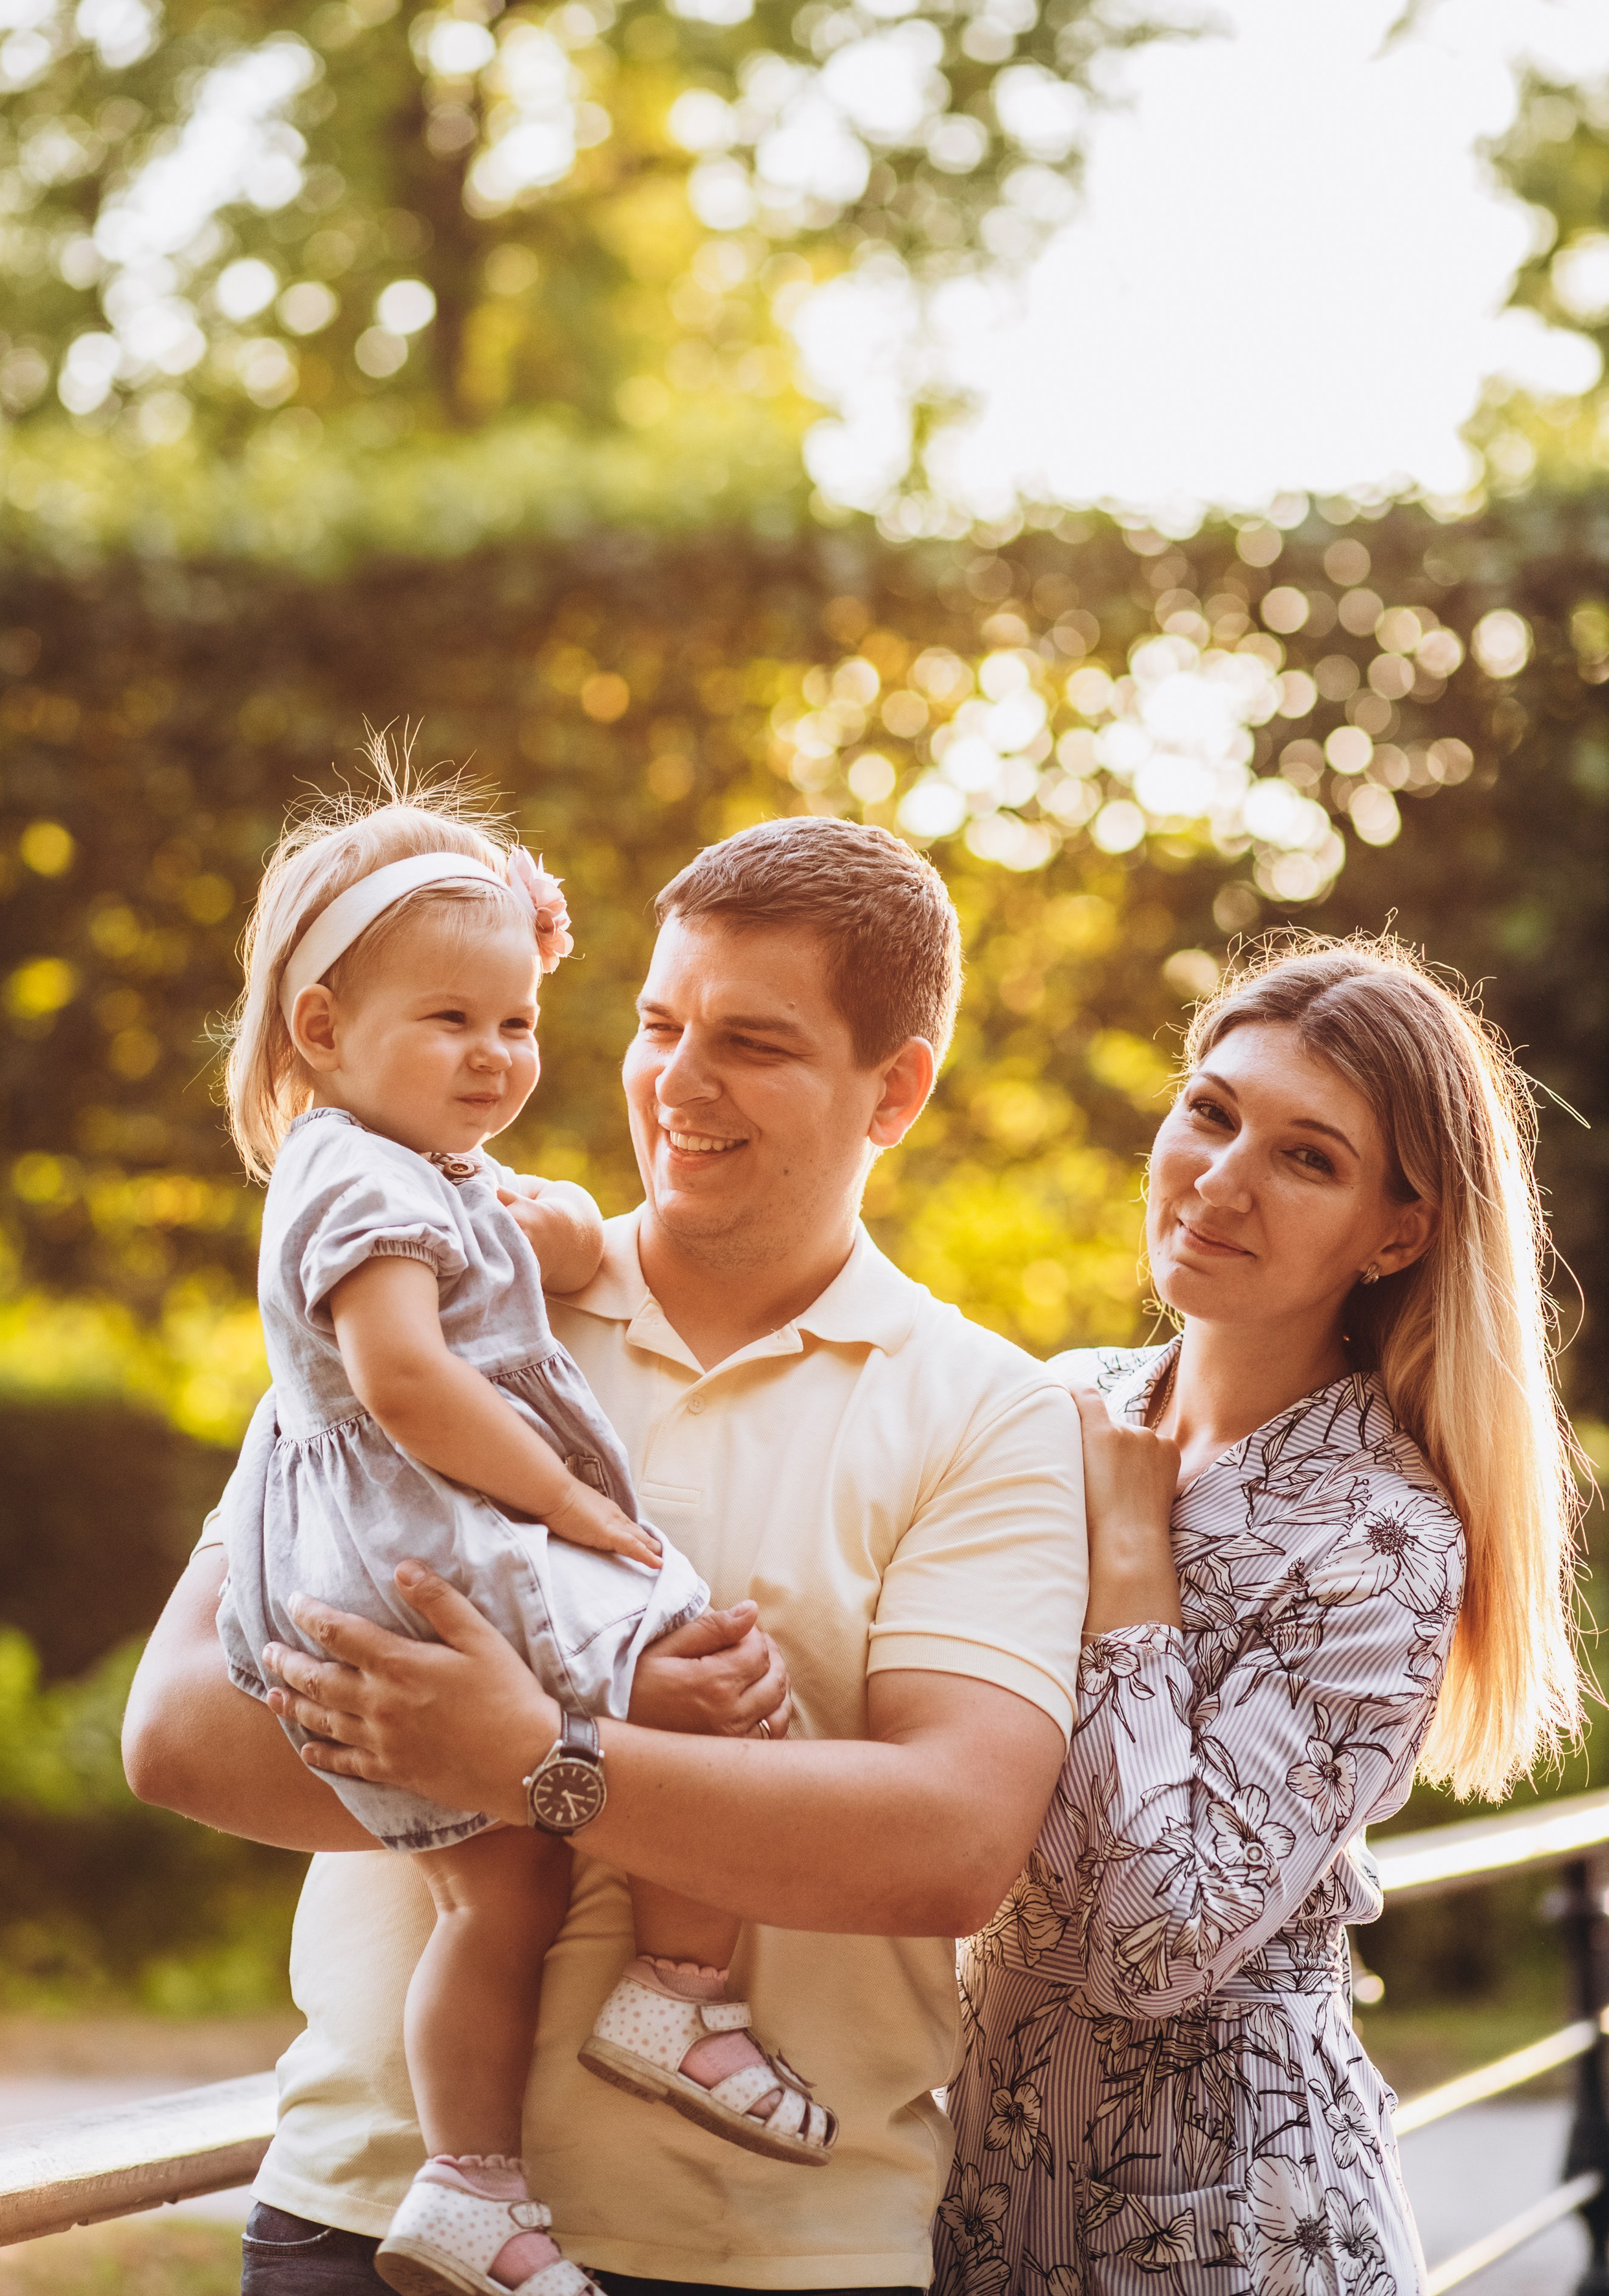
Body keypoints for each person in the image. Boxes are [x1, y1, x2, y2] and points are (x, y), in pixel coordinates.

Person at [124, 814, 1088, 2296]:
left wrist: (534, 1760)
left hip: (765, 2254)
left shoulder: (988, 1411)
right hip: (364, 2226)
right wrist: (597, 1766)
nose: (677, 1081)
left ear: (892, 1090)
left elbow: (947, 1842)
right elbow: (183, 1732)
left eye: (751, 1042)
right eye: (655, 1021)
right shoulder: (434, 1293)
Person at [213, 779, 841, 2296]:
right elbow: (409, 1376)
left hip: (412, 1553)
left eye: (516, 1023)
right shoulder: (357, 1174)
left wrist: (551, 1229)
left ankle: (471, 2184)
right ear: (318, 1031)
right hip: (449, 1546)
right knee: (711, 1680)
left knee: (502, 1891)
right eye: (453, 1022)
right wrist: (568, 1501)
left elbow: (524, 1239)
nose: (495, 1057)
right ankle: (681, 1992)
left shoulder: (404, 1168)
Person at [932, 936, 1582, 2296]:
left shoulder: (1383, 1537)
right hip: (969, 2165)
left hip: (1216, 2213)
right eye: (1210, 1110)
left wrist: (1125, 1555)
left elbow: (1156, 1939)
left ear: (1395, 1232)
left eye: (1307, 1156)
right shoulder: (1062, 1394)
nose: (1219, 1177)